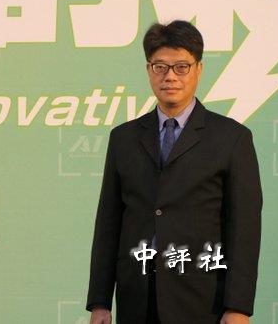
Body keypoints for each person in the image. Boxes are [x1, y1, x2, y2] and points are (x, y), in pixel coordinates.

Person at [86, 21, 262, 324]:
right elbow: (108, 224)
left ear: (199, 69)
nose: (170, 76)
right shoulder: (124, 138)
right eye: (160, 67)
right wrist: (100, 301)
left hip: (203, 300)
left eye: (181, 67)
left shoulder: (232, 138)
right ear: (148, 70)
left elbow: (244, 230)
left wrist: (238, 308)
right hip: (137, 298)